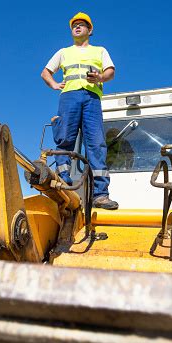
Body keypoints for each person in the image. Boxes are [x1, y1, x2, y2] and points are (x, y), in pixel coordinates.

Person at [41, 12, 119, 210]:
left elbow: (110, 72)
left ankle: (100, 195)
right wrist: (54, 85)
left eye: (82, 25)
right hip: (69, 97)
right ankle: (64, 182)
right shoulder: (63, 52)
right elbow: (45, 72)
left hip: (92, 98)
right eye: (74, 25)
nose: (77, 27)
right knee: (65, 138)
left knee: (96, 143)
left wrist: (100, 77)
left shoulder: (100, 50)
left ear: (89, 30)